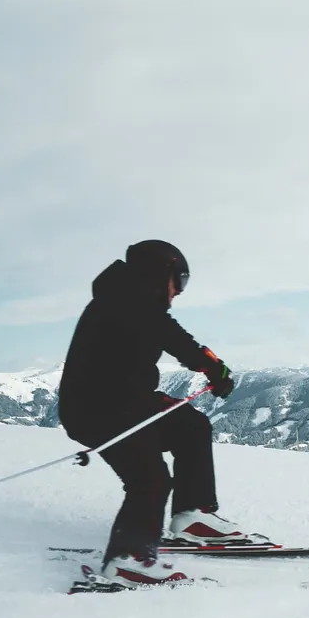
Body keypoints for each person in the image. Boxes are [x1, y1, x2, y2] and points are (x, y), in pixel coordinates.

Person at [58, 240, 252, 587]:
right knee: (150, 479)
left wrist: (212, 367)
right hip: (98, 410)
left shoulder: (131, 302)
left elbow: (167, 333)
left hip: (125, 401)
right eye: (179, 281)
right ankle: (128, 561)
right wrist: (213, 367)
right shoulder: (125, 303)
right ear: (158, 276)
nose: (179, 291)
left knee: (191, 425)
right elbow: (174, 338)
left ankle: (193, 516)